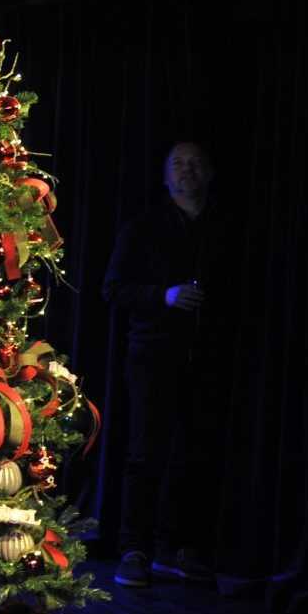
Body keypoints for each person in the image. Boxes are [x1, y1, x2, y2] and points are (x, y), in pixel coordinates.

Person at [103, 142, 215, 588]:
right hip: (153, 352)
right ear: (166, 177)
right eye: (178, 164)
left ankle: (182, 548)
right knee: (144, 452)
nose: (187, 170)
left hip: (207, 355)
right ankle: (135, 549)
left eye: (195, 163)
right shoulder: (143, 228)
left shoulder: (222, 229)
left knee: (197, 453)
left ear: (209, 173)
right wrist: (162, 296)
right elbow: (113, 289)